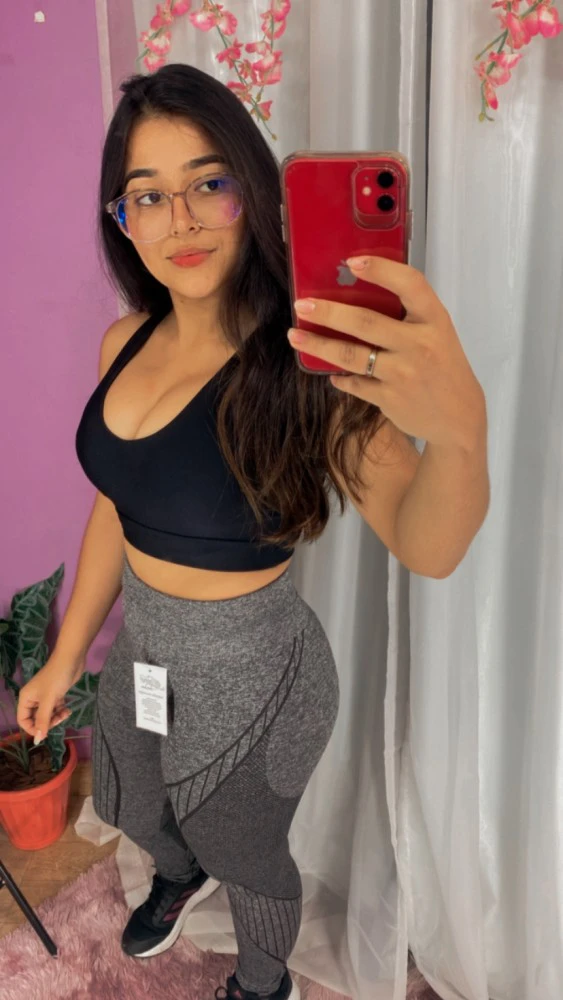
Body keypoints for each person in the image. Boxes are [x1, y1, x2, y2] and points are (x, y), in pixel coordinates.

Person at [16, 63, 489, 1000]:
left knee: (246, 853)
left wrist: (461, 430)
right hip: (147, 649)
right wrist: (65, 658)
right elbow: (116, 501)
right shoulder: (124, 342)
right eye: (147, 196)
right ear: (122, 220)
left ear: (254, 192)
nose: (180, 220)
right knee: (128, 799)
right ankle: (176, 873)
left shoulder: (310, 369)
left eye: (209, 183)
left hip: (258, 672)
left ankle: (265, 983)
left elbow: (429, 547)